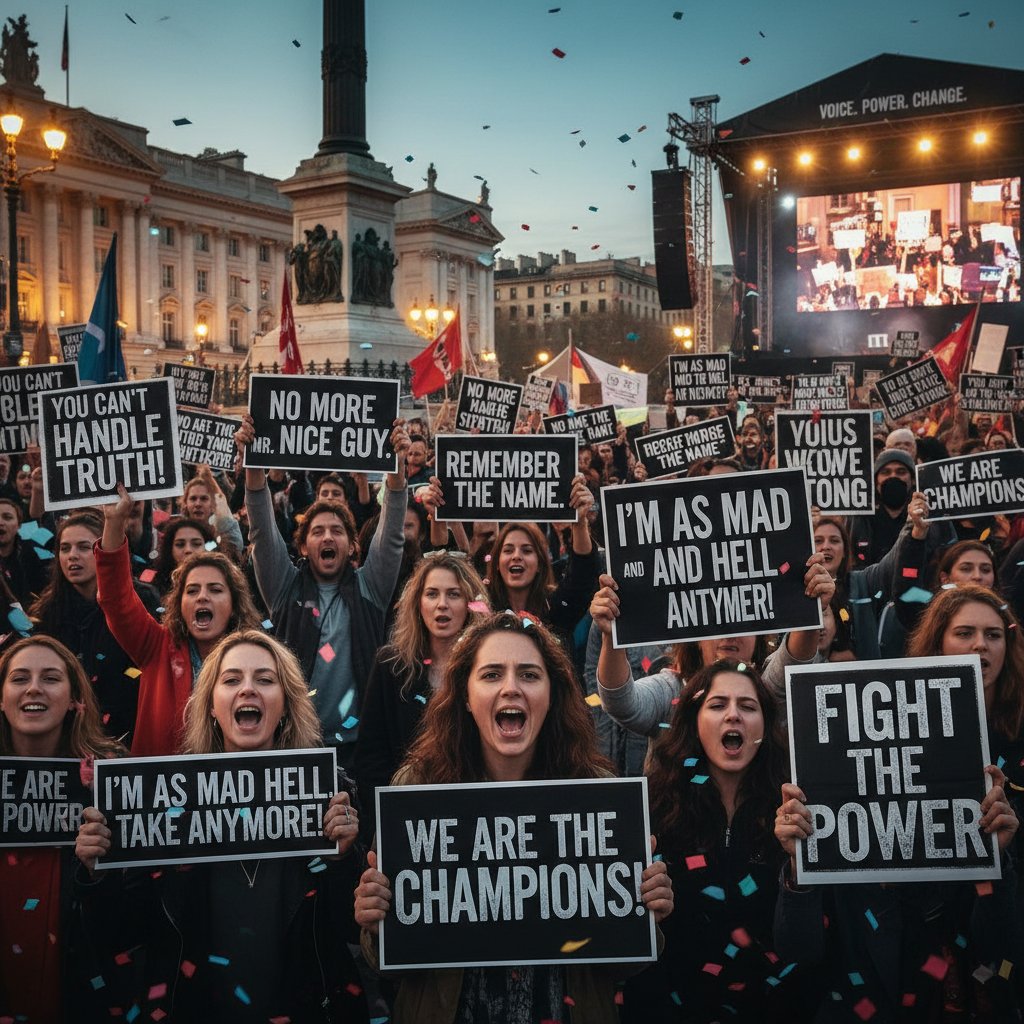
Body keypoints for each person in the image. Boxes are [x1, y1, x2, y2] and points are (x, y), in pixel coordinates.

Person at [354, 613, 673, 1023]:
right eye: (490, 675)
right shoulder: (416, 790)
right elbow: (390, 963)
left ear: (552, 694)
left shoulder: (598, 792)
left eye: (528, 675)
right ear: (465, 696)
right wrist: (376, 924)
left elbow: (621, 966)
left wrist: (647, 913)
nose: (511, 688)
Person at [75, 631, 369, 1023]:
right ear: (212, 706)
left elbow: (354, 930)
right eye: (231, 680)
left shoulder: (331, 792)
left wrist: (344, 857)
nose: (248, 689)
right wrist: (98, 872)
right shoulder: (165, 799)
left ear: (285, 705)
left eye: (265, 679)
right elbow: (124, 933)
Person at [622, 660, 806, 1022]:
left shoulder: (793, 809)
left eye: (748, 706)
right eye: (718, 705)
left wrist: (800, 872)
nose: (733, 715)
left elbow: (806, 946)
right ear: (693, 721)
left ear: (766, 726)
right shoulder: (650, 807)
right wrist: (646, 911)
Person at [775, 760, 1019, 1018]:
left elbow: (1000, 950)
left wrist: (995, 861)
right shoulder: (828, 841)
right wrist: (799, 866)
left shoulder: (966, 834)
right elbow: (797, 953)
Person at [235, 415, 409, 767]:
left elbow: (391, 537)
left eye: (337, 531)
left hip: (361, 746)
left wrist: (397, 471)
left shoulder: (369, 587)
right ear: (302, 547)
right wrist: (254, 467)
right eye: (317, 532)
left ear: (352, 546)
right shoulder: (285, 587)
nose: (327, 537)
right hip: (295, 743)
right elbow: (262, 533)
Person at [0, 636, 124, 1022]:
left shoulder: (111, 784)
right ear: (1, 697)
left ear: (75, 699)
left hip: (74, 994)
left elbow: (129, 926)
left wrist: (97, 872)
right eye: (20, 678)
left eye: (50, 678)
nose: (34, 687)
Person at [96, 484, 261, 756]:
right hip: (163, 791)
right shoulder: (155, 648)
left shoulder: (257, 657)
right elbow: (116, 598)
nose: (202, 598)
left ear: (234, 605)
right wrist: (114, 522)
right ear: (179, 604)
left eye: (216, 590)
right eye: (192, 591)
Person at [590, 556, 835, 736]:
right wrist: (612, 638)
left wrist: (810, 606)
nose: (729, 637)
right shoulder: (672, 691)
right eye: (716, 629)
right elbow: (620, 702)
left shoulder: (764, 688)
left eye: (741, 627)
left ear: (759, 639)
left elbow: (794, 661)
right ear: (695, 641)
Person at [356, 551, 488, 840]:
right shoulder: (390, 666)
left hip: (475, 821)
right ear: (418, 604)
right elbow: (371, 759)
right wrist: (385, 822)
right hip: (407, 822)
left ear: (470, 604)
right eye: (432, 594)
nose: (442, 604)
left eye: (454, 594)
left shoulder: (489, 670)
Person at [30, 511, 159, 745]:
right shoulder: (48, 611)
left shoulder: (142, 599)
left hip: (129, 733)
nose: (72, 556)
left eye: (83, 547)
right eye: (65, 548)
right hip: (67, 738)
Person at [148, 516, 218, 597]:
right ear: (170, 549)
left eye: (196, 544)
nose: (188, 550)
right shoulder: (153, 587)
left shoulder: (222, 580)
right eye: (180, 545)